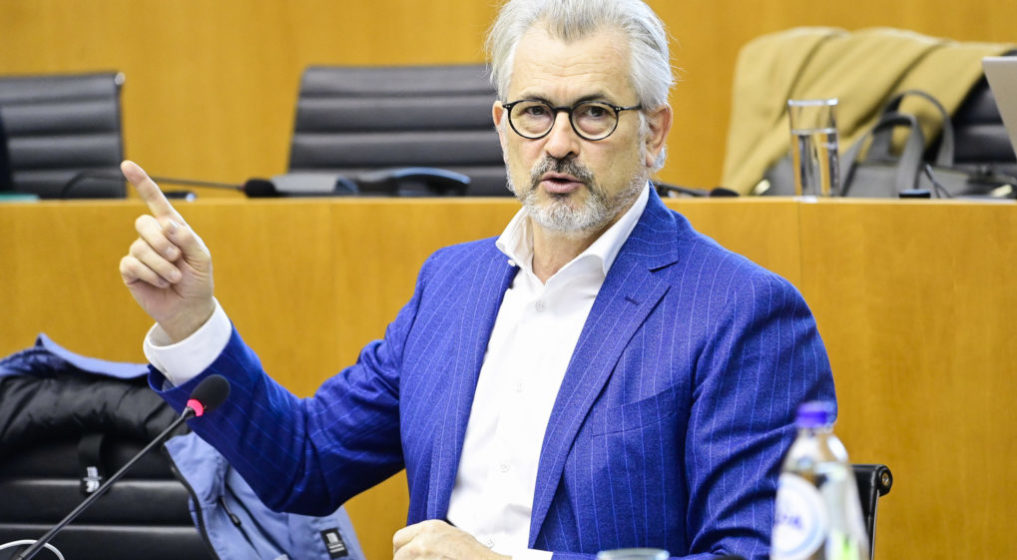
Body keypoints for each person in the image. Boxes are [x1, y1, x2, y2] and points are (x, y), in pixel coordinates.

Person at [119, 0, 835, 558]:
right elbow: (302, 466)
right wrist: (191, 322)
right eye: (534, 112)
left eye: (593, 113)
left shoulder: (741, 312)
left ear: (653, 133)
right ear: (501, 125)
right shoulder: (453, 285)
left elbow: (754, 554)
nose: (558, 144)